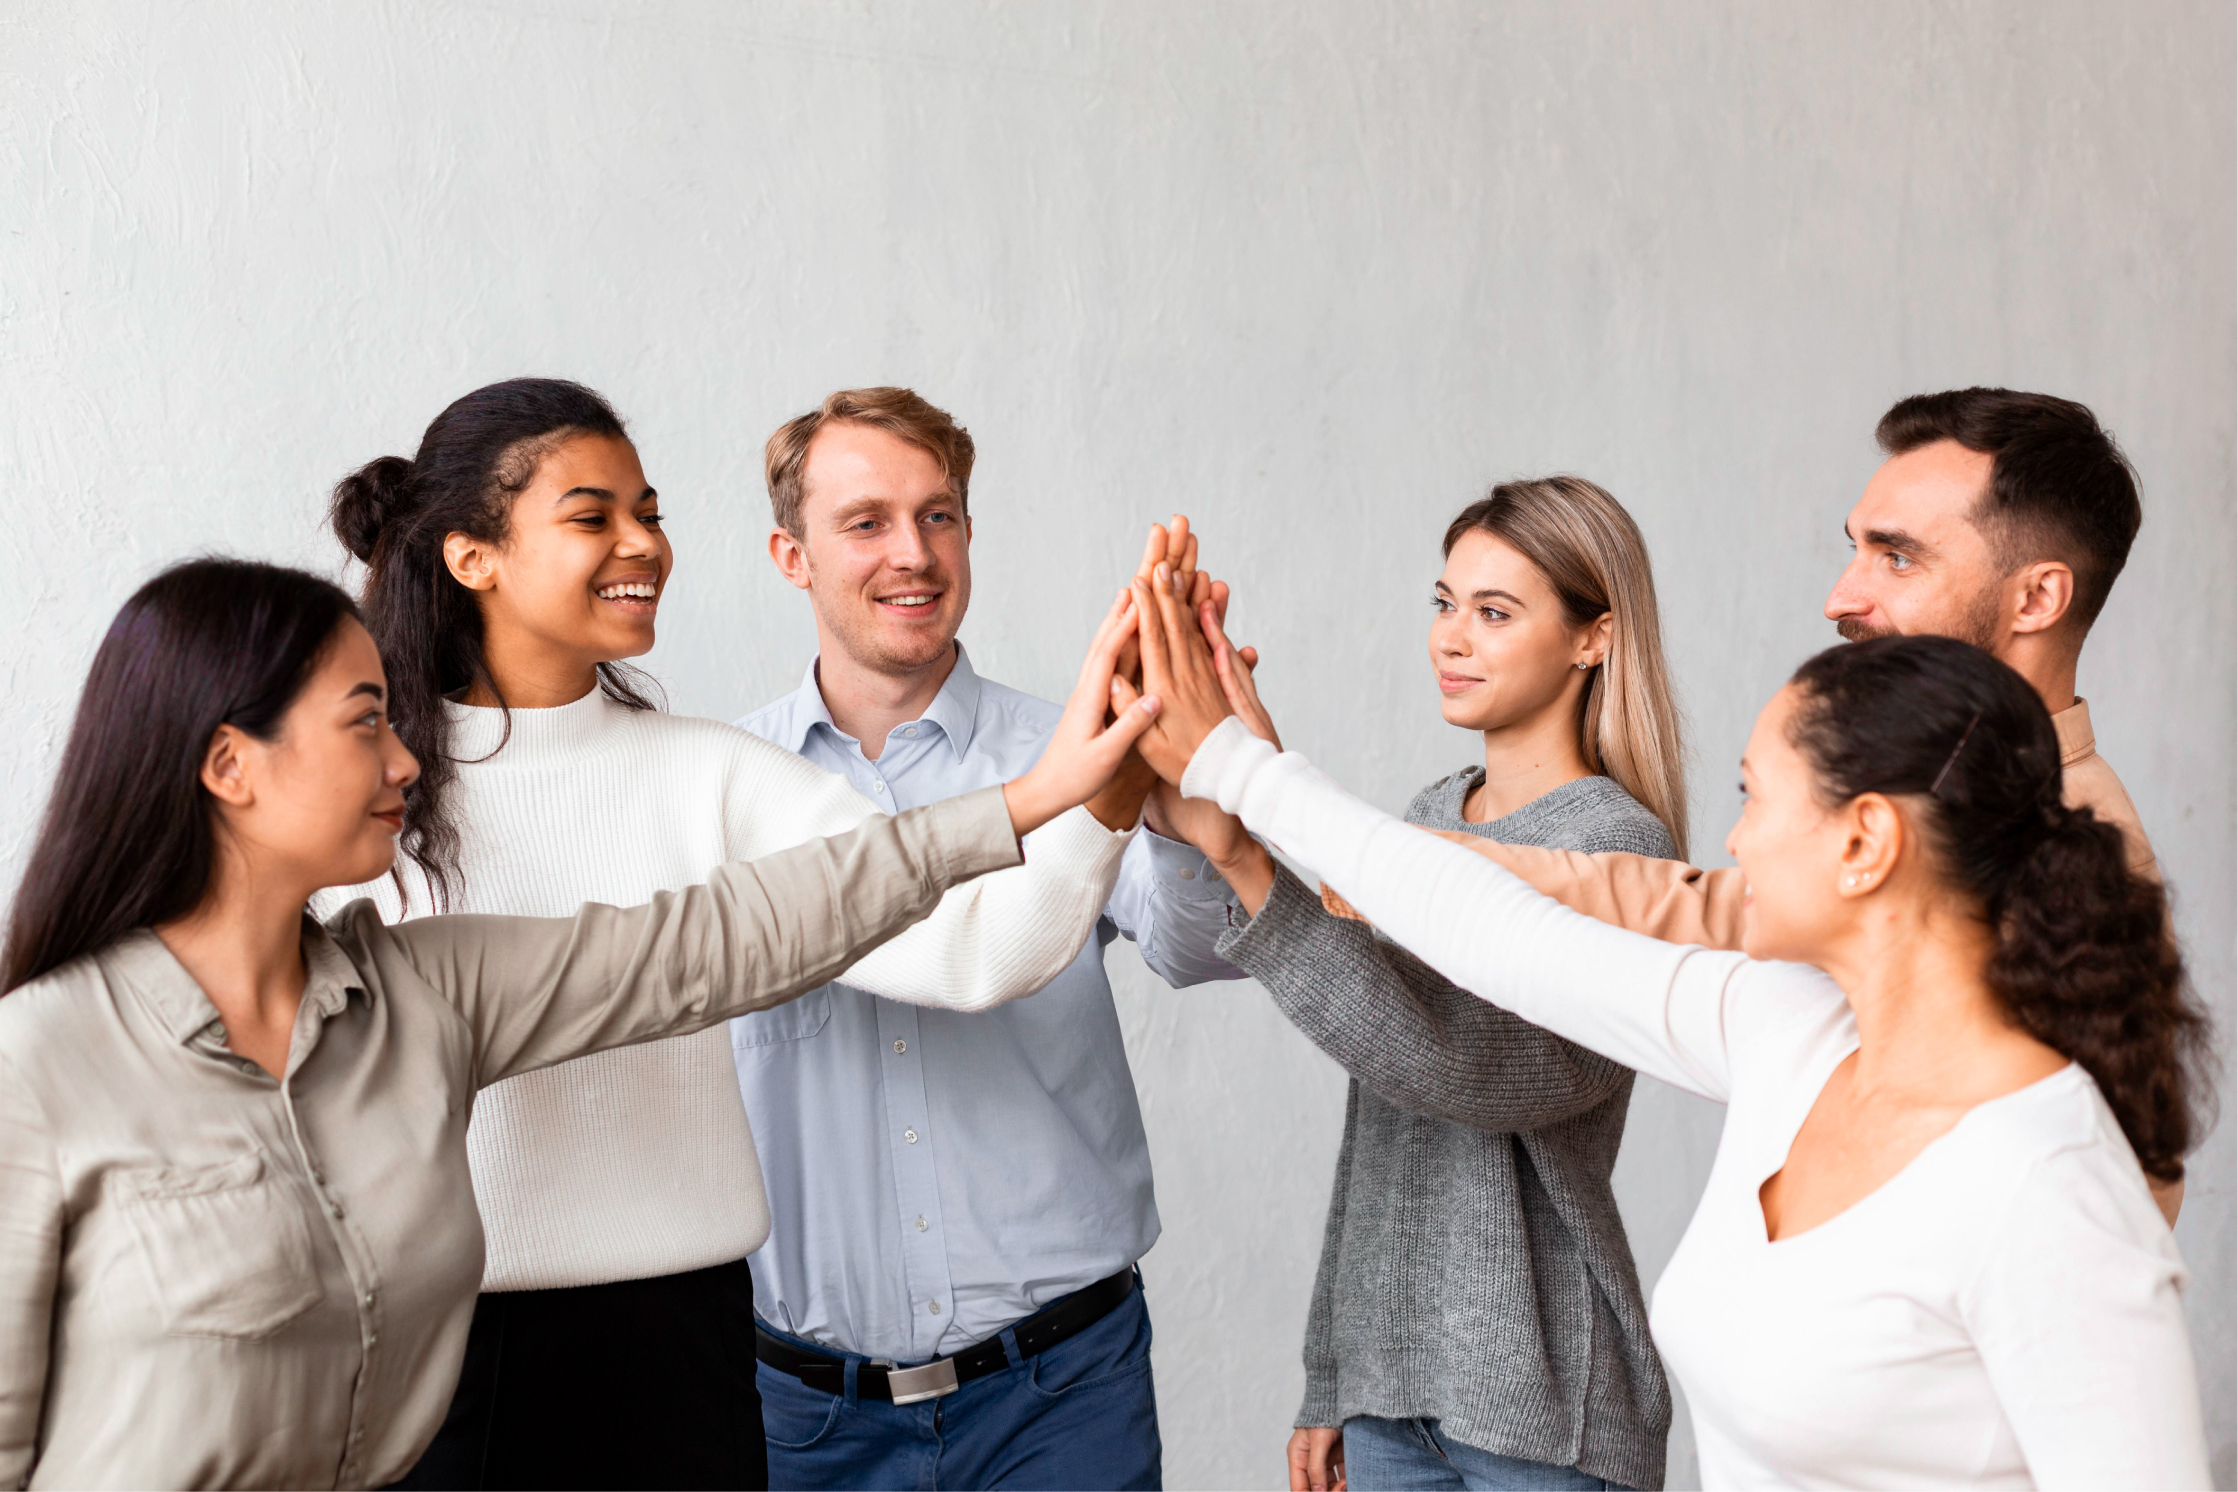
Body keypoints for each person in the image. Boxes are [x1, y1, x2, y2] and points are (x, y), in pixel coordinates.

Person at [0, 556, 1159, 1490]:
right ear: (228, 766)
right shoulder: (40, 1062)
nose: (408, 757)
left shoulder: (427, 994)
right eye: (366, 722)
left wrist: (1035, 794)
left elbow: (723, 936)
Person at [1124, 557, 2213, 1488]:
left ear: (1864, 841)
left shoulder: (2047, 1181)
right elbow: (1500, 934)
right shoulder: (1786, 1030)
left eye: (1755, 797)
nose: (1731, 843)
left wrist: (1239, 772)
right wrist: (1236, 772)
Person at [314, 378, 1152, 1490]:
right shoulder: (368, 787)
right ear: (474, 556)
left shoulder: (711, 774)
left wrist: (1102, 787)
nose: (642, 544)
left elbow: (975, 949)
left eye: (648, 511)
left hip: (684, 1361)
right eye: (593, 515)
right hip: (430, 1362)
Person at [1394, 389, 2186, 1223]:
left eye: (1899, 557)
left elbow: (2106, 1215)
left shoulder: (2081, 855)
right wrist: (1407, 856)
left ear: (2036, 600)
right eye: (1857, 550)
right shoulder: (1914, 787)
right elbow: (1707, 907)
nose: (1841, 598)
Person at [733, 389, 1242, 1491]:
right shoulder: (727, 788)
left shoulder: (1079, 743)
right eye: (865, 521)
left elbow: (1200, 950)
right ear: (792, 554)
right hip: (805, 1418)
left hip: (1062, 1397)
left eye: (941, 515)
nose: (913, 554)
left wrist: (1202, 804)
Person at [1145, 481, 1686, 1491]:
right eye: (1445, 603)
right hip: (1394, 1400)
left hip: (1547, 1410)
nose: (1452, 637)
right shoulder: (1429, 810)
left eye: (1495, 612)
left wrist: (1248, 849)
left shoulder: (1618, 844)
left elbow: (1469, 1071)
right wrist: (1333, 1375)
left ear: (1592, 638)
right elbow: (1379, 1120)